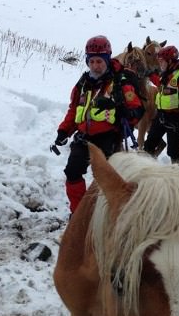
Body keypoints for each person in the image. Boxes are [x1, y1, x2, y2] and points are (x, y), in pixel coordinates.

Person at [53, 35, 144, 214]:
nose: (95, 65)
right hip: (84, 137)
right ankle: (79, 214)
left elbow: (137, 110)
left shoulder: (120, 83)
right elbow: (74, 109)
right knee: (72, 172)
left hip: (108, 138)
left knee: (105, 180)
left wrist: (126, 113)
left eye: (100, 61)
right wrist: (64, 130)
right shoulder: (83, 84)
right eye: (92, 61)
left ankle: (107, 215)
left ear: (107, 60)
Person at [143, 45, 179, 171]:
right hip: (161, 116)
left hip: (176, 119)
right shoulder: (166, 74)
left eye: (161, 61)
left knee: (174, 151)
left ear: (170, 61)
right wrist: (151, 75)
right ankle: (145, 169)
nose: (159, 64)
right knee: (149, 144)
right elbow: (161, 85)